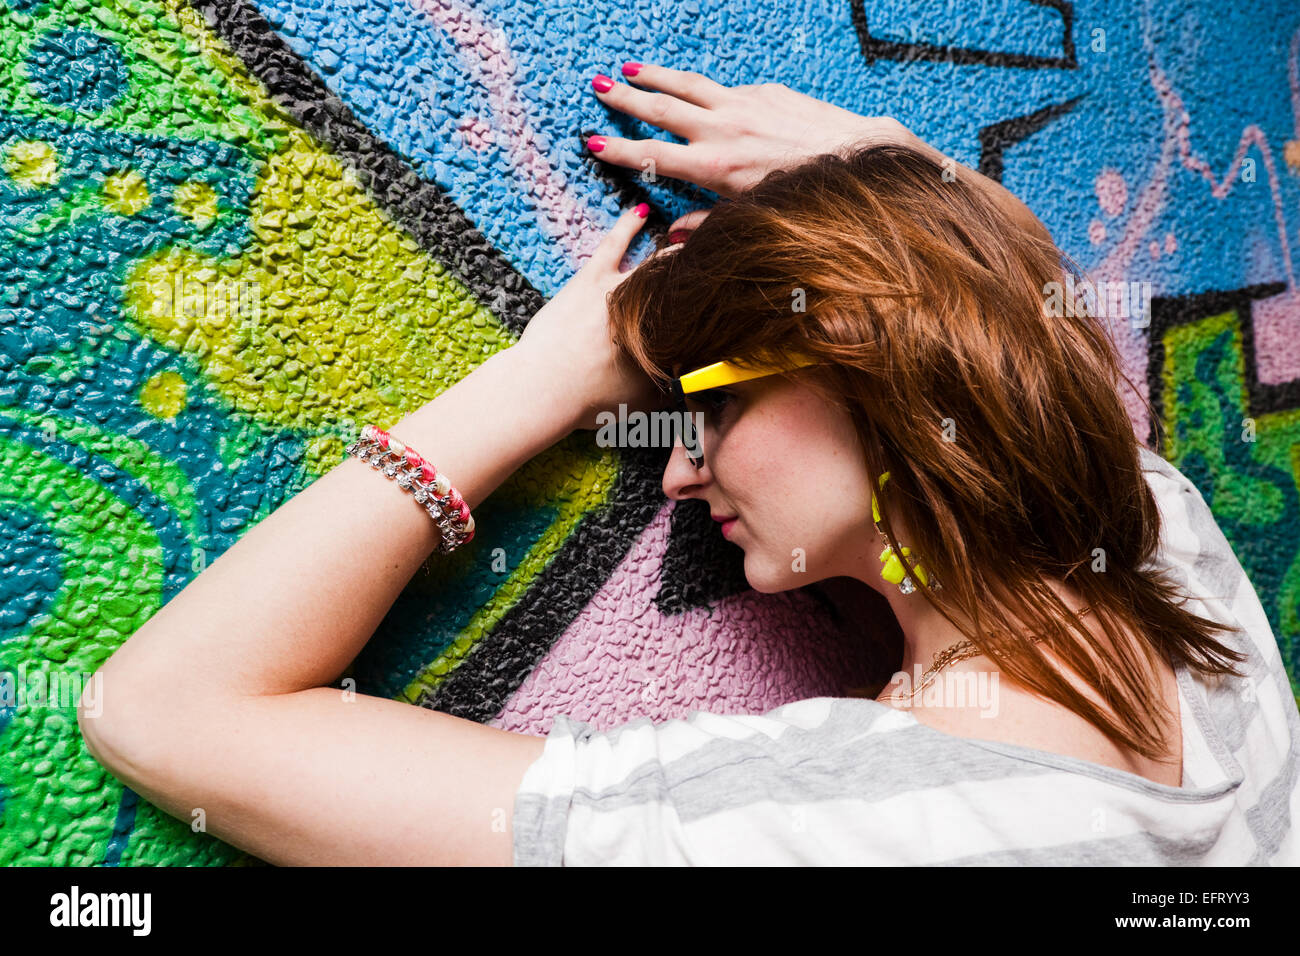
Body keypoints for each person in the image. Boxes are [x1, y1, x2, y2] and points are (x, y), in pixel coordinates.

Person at [76, 64, 1300, 866]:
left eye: (704, 408)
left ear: (864, 368)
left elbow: (163, 713)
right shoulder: (1167, 566)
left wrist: (540, 378)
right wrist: (896, 177)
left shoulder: (855, 829)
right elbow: (1028, 342)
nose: (675, 469)